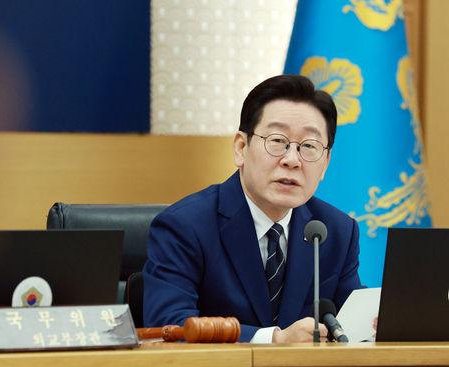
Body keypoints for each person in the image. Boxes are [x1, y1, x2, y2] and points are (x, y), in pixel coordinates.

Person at [143, 74, 363, 343]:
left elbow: (352, 322)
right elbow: (169, 325)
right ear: (241, 148)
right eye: (277, 141)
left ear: (326, 163)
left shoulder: (335, 231)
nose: (292, 160)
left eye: (308, 146)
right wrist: (273, 339)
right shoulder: (185, 226)